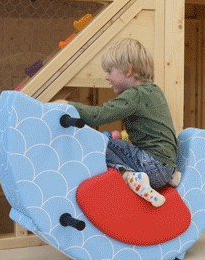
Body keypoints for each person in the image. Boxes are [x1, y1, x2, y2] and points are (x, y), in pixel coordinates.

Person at [55, 38, 180, 207]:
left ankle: (131, 177)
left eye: (109, 71)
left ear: (128, 69)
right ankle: (170, 176)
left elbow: (98, 116)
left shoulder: (134, 94)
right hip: (167, 166)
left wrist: (68, 105)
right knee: (119, 143)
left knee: (100, 144)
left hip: (151, 167)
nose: (106, 77)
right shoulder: (154, 90)